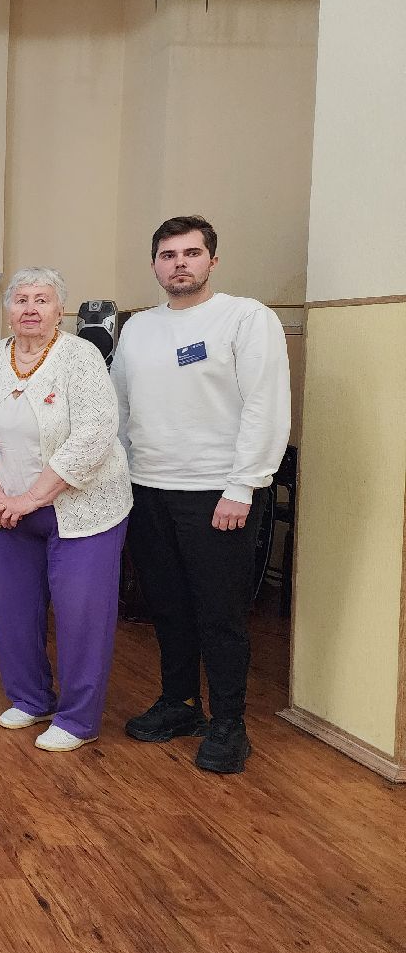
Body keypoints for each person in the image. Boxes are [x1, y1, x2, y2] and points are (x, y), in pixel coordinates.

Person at [113, 215, 289, 774]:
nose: (180, 264)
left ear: (212, 260)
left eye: (191, 253)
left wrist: (244, 485)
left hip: (218, 491)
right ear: (154, 265)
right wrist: (120, 477)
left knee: (221, 613)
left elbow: (265, 405)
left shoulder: (246, 318)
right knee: (166, 605)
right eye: (168, 255)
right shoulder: (138, 329)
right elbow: (120, 408)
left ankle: (229, 723)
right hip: (148, 488)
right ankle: (180, 703)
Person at [0, 268, 132, 752]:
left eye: (42, 299)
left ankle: (79, 718)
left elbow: (95, 434)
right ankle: (31, 698)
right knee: (12, 609)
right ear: (7, 310)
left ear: (60, 310)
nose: (31, 308)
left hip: (82, 509)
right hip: (7, 509)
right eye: (21, 300)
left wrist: (31, 498)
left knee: (82, 615)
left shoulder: (81, 356)